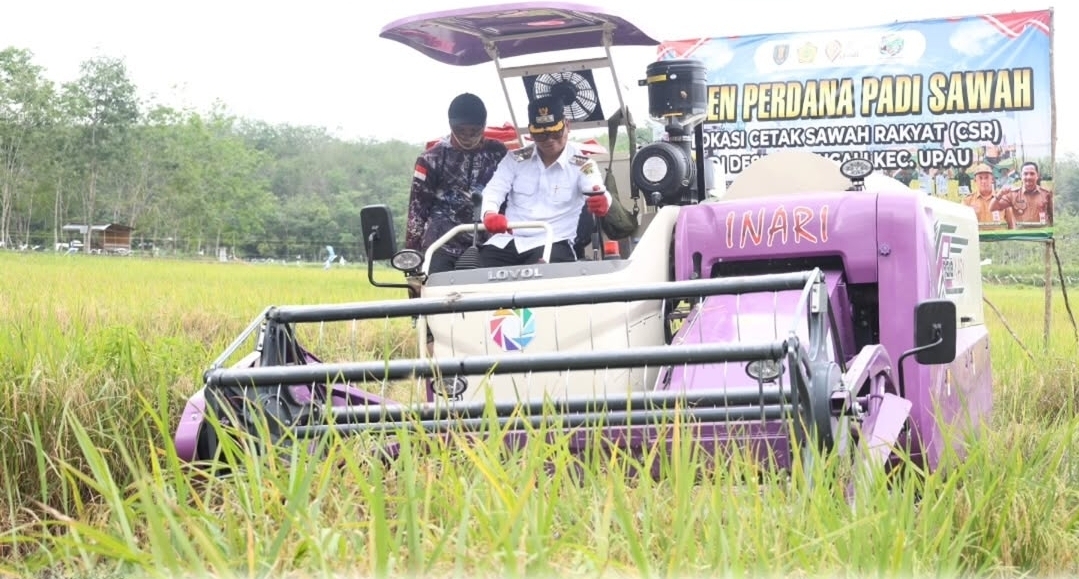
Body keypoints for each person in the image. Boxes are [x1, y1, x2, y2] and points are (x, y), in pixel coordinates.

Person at [477, 96, 611, 266]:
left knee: (542, 275)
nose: (549, 140)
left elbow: (597, 188)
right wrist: (490, 213)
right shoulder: (515, 159)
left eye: (555, 132)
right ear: (531, 133)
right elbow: (494, 190)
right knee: (471, 270)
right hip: (509, 241)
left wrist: (603, 201)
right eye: (540, 135)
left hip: (555, 241)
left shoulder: (582, 162)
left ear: (567, 126)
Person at [404, 92, 508, 281]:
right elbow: (417, 211)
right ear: (451, 126)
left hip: (488, 245)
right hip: (441, 242)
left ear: (484, 126)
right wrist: (412, 258)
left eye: (474, 131)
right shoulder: (430, 159)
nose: (468, 137)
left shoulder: (498, 153)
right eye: (461, 131)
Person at [989, 161, 1054, 228]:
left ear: (1037, 175)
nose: (1028, 177)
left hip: (1042, 236)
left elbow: (1053, 216)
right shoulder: (1013, 194)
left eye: (1032, 174)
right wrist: (1000, 193)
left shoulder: (1046, 194)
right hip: (1021, 236)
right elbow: (992, 208)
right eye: (1025, 174)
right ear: (1021, 176)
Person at [962, 163, 1009, 228]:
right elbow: (963, 224)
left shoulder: (1003, 199)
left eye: (986, 178)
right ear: (975, 180)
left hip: (999, 238)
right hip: (977, 237)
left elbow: (1012, 224)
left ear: (992, 179)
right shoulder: (968, 201)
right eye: (980, 178)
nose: (983, 181)